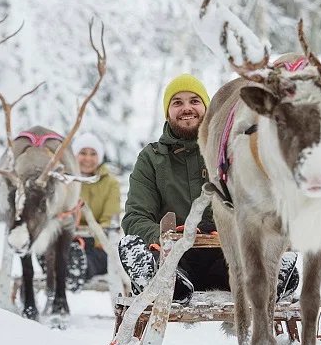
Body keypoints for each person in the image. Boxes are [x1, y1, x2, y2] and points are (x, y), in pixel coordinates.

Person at [118, 74, 298, 305]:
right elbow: (136, 216)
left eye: (194, 101)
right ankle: (169, 285)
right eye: (177, 102)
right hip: (174, 261)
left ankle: (272, 278)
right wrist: (166, 238)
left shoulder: (229, 151)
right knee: (130, 245)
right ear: (167, 112)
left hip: (227, 259)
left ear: (206, 108)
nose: (186, 108)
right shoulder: (151, 159)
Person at [65, 132, 121, 291]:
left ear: (100, 157)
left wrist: (93, 238)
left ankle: (78, 269)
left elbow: (109, 219)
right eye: (82, 153)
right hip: (69, 239)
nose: (87, 158)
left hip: (97, 242)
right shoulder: (66, 181)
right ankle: (70, 265)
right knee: (58, 249)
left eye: (93, 154)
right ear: (75, 155)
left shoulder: (110, 183)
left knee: (94, 258)